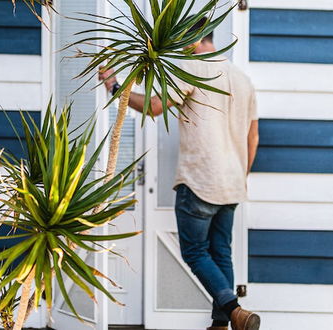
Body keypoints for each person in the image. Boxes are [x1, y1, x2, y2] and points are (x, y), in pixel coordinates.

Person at [98, 18, 260, 330]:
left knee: (196, 253)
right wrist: (241, 175)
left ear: (196, 39)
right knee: (221, 252)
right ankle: (221, 324)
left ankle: (235, 312)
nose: (180, 48)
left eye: (183, 41)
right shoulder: (243, 79)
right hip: (232, 184)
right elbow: (254, 138)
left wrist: (116, 87)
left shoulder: (192, 70)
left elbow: (154, 107)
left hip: (200, 181)